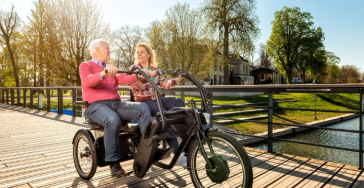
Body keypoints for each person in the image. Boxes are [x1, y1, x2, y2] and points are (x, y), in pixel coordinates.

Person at [79, 39, 168, 178]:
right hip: (96, 106)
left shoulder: (110, 67)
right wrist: (104, 73)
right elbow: (88, 81)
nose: (110, 51)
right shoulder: (85, 65)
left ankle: (149, 148)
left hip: (116, 103)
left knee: (143, 108)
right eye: (107, 48)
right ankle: (114, 164)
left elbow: (124, 79)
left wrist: (140, 74)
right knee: (112, 119)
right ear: (97, 50)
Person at [130, 42, 187, 166]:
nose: (139, 54)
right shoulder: (136, 69)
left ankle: (186, 141)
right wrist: (146, 76)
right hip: (143, 100)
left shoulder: (154, 69)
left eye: (142, 52)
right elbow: (136, 84)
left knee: (178, 102)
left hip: (157, 98)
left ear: (149, 54)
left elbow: (164, 84)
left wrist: (177, 79)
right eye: (138, 52)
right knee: (163, 114)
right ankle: (177, 154)